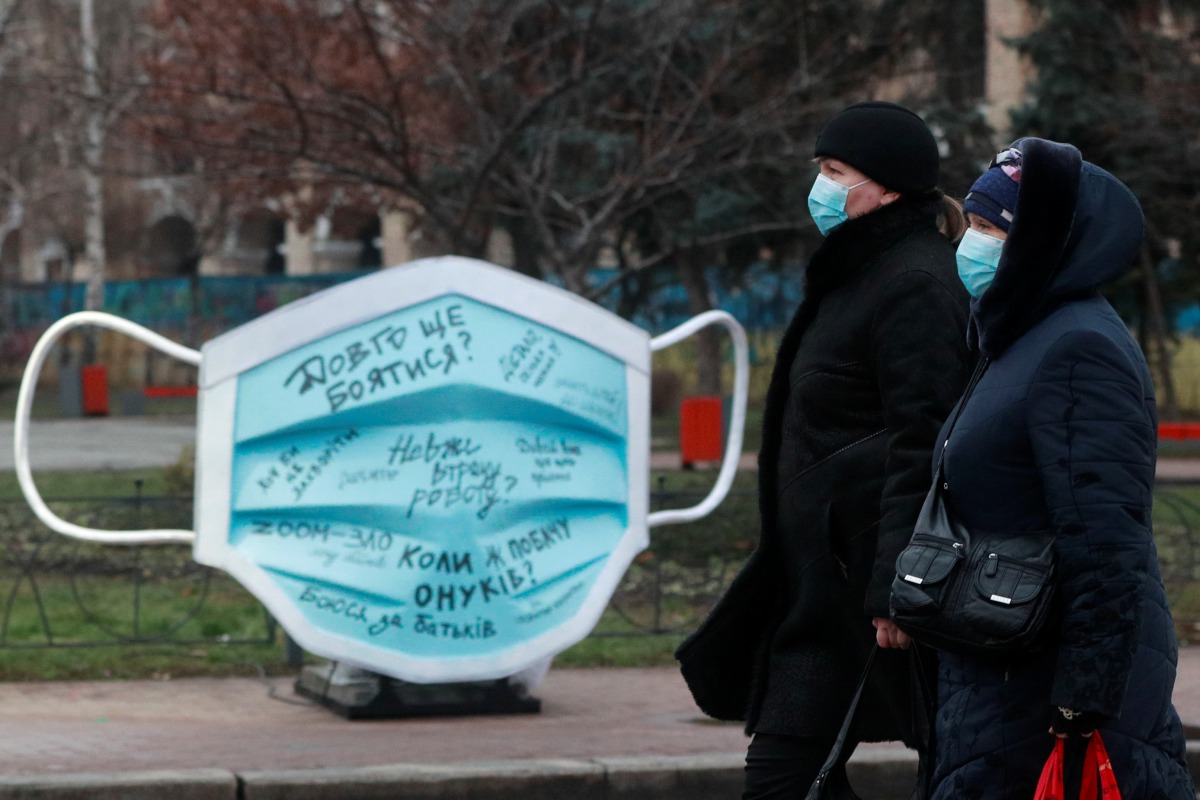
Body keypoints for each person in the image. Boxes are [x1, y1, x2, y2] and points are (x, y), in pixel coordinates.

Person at [674, 100, 971, 799]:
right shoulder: (859, 272)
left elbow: (923, 439)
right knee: (809, 769)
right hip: (822, 577)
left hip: (865, 586)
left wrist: (898, 584)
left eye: (837, 172)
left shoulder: (916, 282)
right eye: (821, 171)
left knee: (790, 774)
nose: (822, 188)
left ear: (891, 187)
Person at [918, 138, 1195, 799]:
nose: (971, 243)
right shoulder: (1015, 339)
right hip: (1002, 666)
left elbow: (1106, 539)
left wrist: (1082, 699)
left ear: (1043, 242)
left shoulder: (1077, 348)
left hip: (1048, 690)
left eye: (991, 228)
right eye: (973, 224)